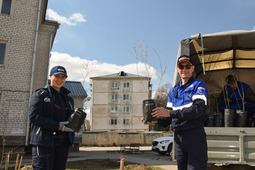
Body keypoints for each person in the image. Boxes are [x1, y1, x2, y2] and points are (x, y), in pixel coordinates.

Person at [142, 55, 208, 170]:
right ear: (178, 69)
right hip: (178, 138)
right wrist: (155, 119)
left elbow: (197, 111)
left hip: (194, 136)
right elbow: (168, 119)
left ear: (192, 68)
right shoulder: (173, 91)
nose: (184, 69)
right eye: (181, 66)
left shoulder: (198, 85)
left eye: (187, 66)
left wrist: (170, 114)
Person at [29, 65, 74, 170]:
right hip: (44, 142)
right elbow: (34, 116)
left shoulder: (68, 99)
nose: (60, 80)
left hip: (63, 143)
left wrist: (75, 124)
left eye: (63, 77)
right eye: (57, 76)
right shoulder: (40, 95)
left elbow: (69, 118)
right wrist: (57, 125)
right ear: (50, 77)